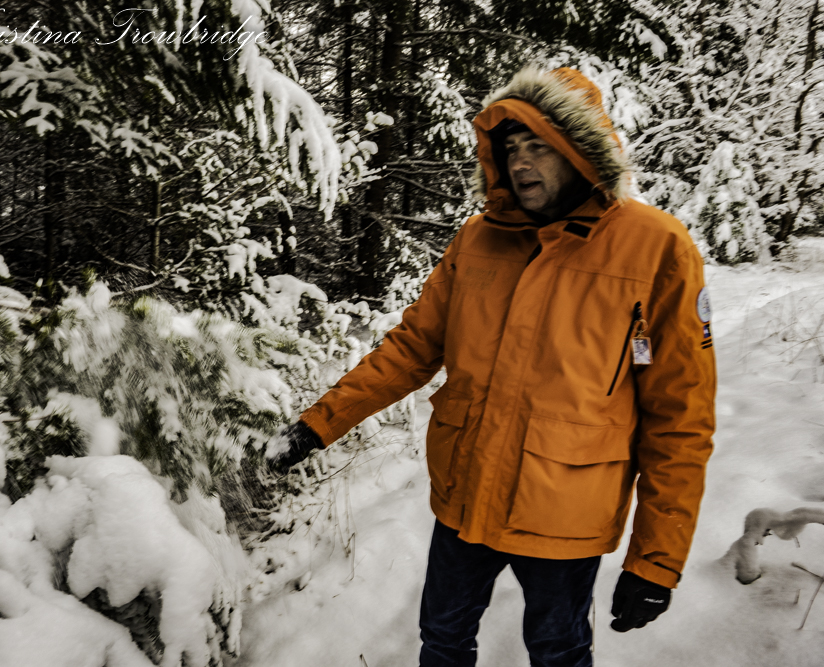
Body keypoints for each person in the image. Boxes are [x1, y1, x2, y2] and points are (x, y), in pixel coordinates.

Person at [265, 66, 716, 667]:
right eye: (510, 149)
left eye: (538, 146)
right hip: (465, 497)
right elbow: (411, 348)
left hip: (565, 511)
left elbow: (680, 417)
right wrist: (318, 424)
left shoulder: (657, 246)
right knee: (442, 640)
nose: (520, 163)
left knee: (558, 651)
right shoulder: (478, 239)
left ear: (579, 151)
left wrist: (655, 562)